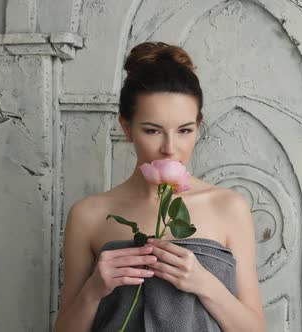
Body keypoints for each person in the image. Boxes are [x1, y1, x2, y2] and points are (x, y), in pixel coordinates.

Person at [53, 42, 266, 331]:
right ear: (127, 128)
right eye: (152, 130)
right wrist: (94, 290)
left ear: (198, 127)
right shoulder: (88, 214)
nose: (169, 148)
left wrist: (204, 284)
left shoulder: (229, 207)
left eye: (184, 130)